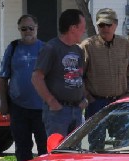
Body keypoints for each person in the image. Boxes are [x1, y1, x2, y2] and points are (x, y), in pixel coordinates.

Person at [31, 9, 87, 137]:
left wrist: (84, 99)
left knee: (74, 153)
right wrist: (52, 102)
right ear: (73, 28)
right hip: (58, 112)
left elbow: (80, 76)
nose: (84, 31)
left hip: (77, 110)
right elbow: (36, 77)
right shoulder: (51, 48)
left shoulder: (78, 50)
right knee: (57, 152)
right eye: (82, 27)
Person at [0, 14, 47, 161]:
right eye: (24, 29)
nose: (28, 32)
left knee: (45, 149)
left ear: (37, 28)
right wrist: (4, 103)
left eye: (31, 28)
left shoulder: (45, 49)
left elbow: (53, 78)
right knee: (22, 148)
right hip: (18, 108)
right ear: (19, 29)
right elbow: (3, 77)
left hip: (42, 108)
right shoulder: (13, 48)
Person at [81, 8, 129, 119]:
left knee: (120, 136)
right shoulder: (87, 46)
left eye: (108, 24)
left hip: (120, 102)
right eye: (101, 25)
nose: (105, 28)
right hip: (96, 104)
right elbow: (78, 76)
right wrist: (89, 97)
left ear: (115, 25)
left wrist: (128, 93)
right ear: (97, 26)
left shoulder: (125, 45)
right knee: (96, 137)